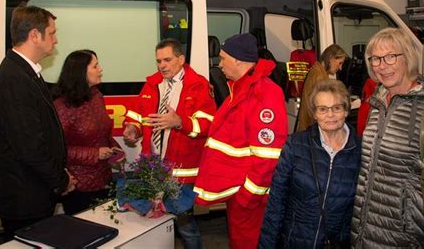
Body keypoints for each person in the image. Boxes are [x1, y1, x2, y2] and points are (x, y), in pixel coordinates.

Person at [351, 28, 424, 248]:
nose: (382, 65)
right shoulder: (376, 106)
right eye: (375, 59)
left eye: (391, 56)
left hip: (406, 239)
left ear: (408, 57)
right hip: (366, 234)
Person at [0, 6, 76, 238]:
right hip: (23, 197)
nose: (56, 40)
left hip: (32, 190)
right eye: (52, 32)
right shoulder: (14, 79)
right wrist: (61, 180)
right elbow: (30, 147)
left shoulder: (25, 72)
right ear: (35, 35)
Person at [194, 33, 288, 249]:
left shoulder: (264, 94)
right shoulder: (240, 89)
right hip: (237, 193)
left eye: (223, 58)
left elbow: (268, 157)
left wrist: (247, 197)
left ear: (237, 59)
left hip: (249, 199)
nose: (219, 64)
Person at [123, 38, 216, 249]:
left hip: (181, 171)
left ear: (181, 59)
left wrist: (180, 122)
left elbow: (207, 124)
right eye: (158, 61)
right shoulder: (152, 84)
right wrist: (132, 128)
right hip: (154, 167)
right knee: (154, 219)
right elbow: (137, 114)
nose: (162, 65)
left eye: (167, 60)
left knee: (183, 222)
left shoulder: (198, 85)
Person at [259, 79, 361, 248]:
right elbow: (276, 204)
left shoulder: (361, 150)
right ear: (314, 113)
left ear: (346, 110)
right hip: (294, 241)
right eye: (322, 109)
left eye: (336, 108)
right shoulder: (295, 145)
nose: (330, 115)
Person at [53, 50, 124, 215]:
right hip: (78, 186)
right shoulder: (62, 106)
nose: (101, 69)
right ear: (80, 72)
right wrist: (95, 153)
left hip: (104, 180)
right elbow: (58, 150)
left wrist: (113, 147)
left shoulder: (97, 96)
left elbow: (103, 133)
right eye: (95, 66)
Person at [297, 44, 348, 132]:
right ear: (331, 58)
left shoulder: (317, 72)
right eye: (340, 63)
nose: (340, 68)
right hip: (312, 129)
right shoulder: (319, 78)